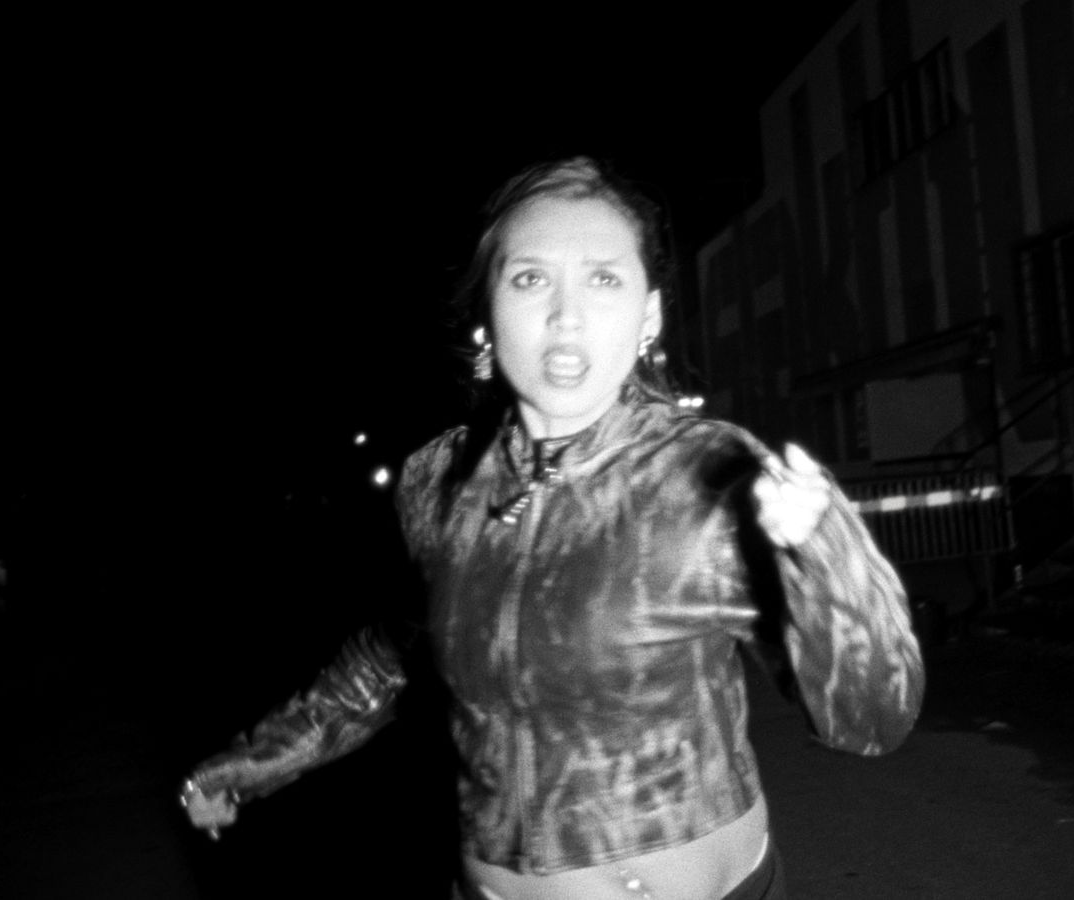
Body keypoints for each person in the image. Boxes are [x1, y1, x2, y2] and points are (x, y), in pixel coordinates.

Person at [180, 156, 925, 899]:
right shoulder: (435, 483)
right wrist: (254, 765)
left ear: (650, 315)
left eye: (604, 279)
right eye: (530, 278)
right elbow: (389, 659)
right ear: (487, 312)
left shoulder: (709, 474)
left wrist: (824, 552)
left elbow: (871, 720)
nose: (566, 315)